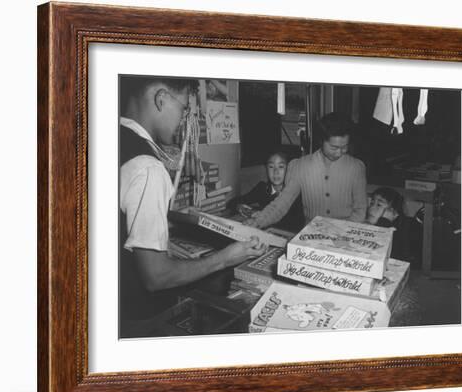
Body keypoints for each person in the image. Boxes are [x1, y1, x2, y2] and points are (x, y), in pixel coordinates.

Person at [119, 76, 267, 326]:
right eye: (184, 109)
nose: (184, 121)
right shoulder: (148, 169)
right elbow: (157, 277)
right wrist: (225, 258)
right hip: (135, 317)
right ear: (161, 99)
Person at [245, 112, 367, 229]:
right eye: (334, 147)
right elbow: (281, 204)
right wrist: (258, 222)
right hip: (311, 235)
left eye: (344, 147)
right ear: (321, 141)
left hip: (345, 235)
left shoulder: (356, 167)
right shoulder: (300, 166)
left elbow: (360, 211)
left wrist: (339, 232)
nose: (339, 152)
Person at [233, 151, 304, 232]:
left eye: (281, 167)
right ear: (266, 169)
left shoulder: (294, 192)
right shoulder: (262, 188)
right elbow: (234, 201)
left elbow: (296, 223)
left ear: (288, 169)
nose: (276, 172)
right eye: (271, 167)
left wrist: (261, 216)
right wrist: (241, 208)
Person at [365, 187, 414, 262]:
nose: (372, 208)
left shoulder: (397, 233)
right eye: (372, 203)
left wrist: (385, 221)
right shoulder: (365, 224)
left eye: (379, 205)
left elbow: (381, 251)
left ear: (393, 213)